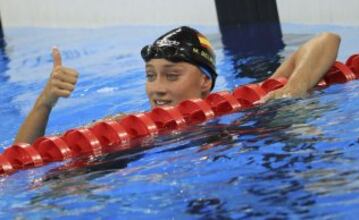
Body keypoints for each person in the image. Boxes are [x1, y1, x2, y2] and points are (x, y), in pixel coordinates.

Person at [13, 26, 341, 144]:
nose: (157, 88)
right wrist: (45, 101)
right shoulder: (125, 126)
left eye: (172, 76)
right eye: (150, 76)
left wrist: (294, 89)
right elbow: (22, 158)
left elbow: (326, 40)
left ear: (204, 82)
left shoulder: (242, 104)